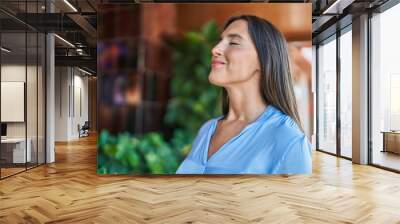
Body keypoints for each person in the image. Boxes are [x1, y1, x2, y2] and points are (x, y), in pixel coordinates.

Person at [176, 15, 312, 174]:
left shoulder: (289, 140)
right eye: (220, 41)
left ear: (263, 60)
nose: (215, 49)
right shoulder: (207, 130)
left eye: (233, 42)